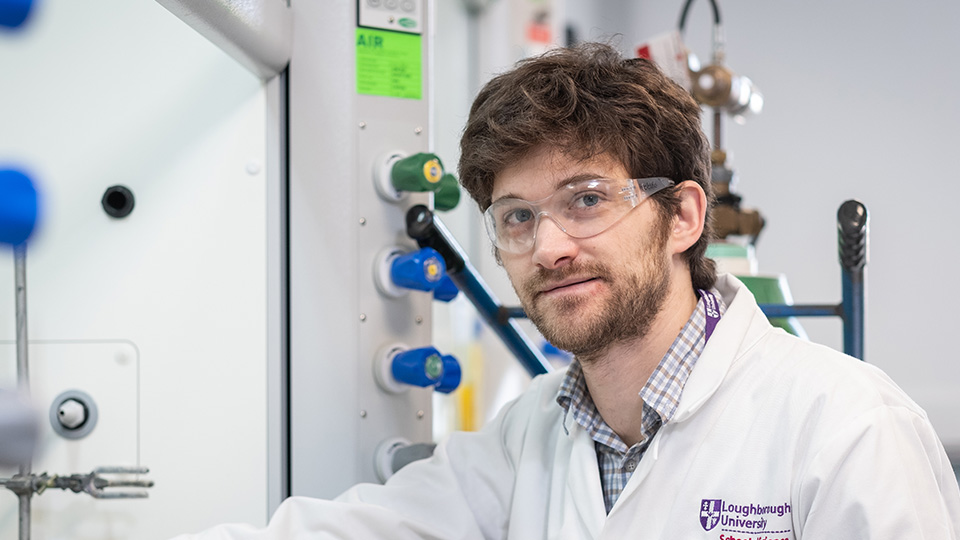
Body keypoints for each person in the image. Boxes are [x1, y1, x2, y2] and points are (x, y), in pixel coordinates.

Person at [175, 42, 960, 539]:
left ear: (684, 215)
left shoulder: (848, 428)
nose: (548, 247)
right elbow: (354, 531)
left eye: (586, 199)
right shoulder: (532, 437)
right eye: (517, 217)